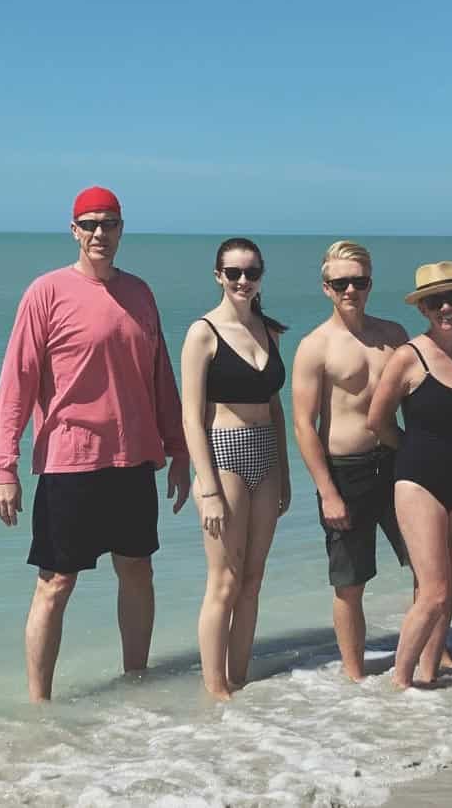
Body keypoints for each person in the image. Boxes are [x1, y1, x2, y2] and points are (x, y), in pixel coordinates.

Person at [0, 185, 189, 702]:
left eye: (110, 224)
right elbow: (18, 380)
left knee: (137, 571)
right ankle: (40, 705)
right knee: (55, 584)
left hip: (133, 458)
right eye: (90, 224)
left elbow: (160, 378)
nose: (100, 233)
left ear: (122, 229)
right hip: (68, 461)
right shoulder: (46, 292)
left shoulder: (141, 294)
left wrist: (180, 449)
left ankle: (137, 684)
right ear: (74, 230)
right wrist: (3, 466)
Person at [367, 261, 452, 689]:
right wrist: (411, 452)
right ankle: (399, 686)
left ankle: (429, 675)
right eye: (434, 301)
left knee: (446, 589)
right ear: (422, 308)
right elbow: (377, 421)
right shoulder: (408, 356)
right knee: (433, 591)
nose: (445, 307)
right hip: (418, 480)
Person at [292, 241, 409, 682]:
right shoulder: (314, 346)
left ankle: (434, 653)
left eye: (358, 281)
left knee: (425, 563)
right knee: (349, 583)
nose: (350, 290)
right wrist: (327, 491)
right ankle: (356, 675)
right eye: (340, 282)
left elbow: (420, 394)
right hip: (345, 472)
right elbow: (304, 425)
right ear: (326, 288)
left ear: (370, 284)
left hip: (397, 463)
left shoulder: (393, 335)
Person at [179, 238, 290, 699]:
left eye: (251, 272)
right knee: (223, 579)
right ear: (218, 276)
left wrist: (284, 470)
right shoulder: (202, 332)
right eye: (233, 273)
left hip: (265, 451)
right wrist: (206, 488)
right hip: (224, 451)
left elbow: (274, 406)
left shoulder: (269, 330)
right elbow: (190, 415)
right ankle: (215, 690)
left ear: (261, 275)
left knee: (253, 577)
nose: (243, 280)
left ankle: (240, 679)